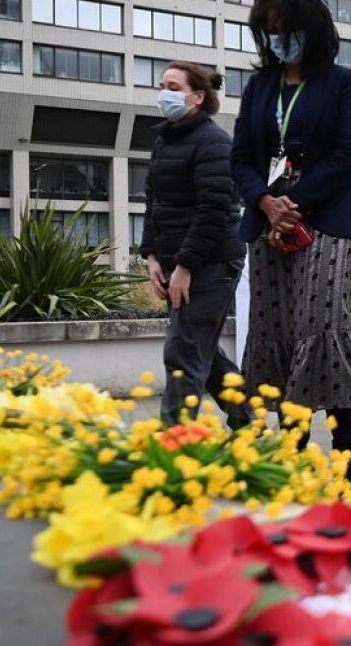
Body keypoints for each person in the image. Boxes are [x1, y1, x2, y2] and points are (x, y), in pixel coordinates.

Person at [230, 0, 351, 492]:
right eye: (269, 32)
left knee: (322, 327)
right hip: (268, 222)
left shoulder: (343, 82)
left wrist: (295, 204)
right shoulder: (259, 86)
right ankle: (288, 457)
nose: (278, 40)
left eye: (286, 30)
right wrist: (266, 203)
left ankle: (346, 460)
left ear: (311, 29)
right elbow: (242, 156)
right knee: (278, 332)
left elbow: (349, 152)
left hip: (328, 217)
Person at [140, 61, 247, 427]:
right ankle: (249, 422)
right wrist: (153, 257)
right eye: (162, 85)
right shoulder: (165, 140)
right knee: (202, 350)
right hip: (178, 261)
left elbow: (214, 211)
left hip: (212, 264)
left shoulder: (214, 142)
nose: (163, 92)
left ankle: (174, 443)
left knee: (183, 350)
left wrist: (184, 266)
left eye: (173, 86)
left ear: (197, 96)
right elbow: (153, 203)